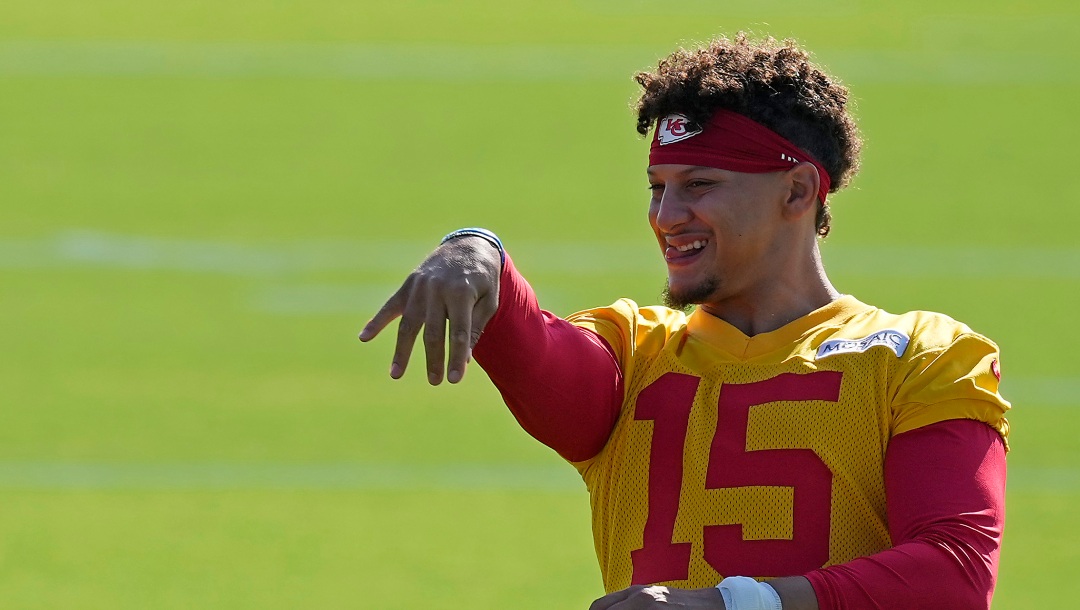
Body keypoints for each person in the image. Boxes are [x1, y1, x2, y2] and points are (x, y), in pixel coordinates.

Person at [359, 33, 1009, 610]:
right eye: (657, 187)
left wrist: (733, 604)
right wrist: (480, 254)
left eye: (699, 184)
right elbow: (553, 369)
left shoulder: (926, 355)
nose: (666, 216)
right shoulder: (634, 349)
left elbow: (954, 576)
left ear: (799, 191)